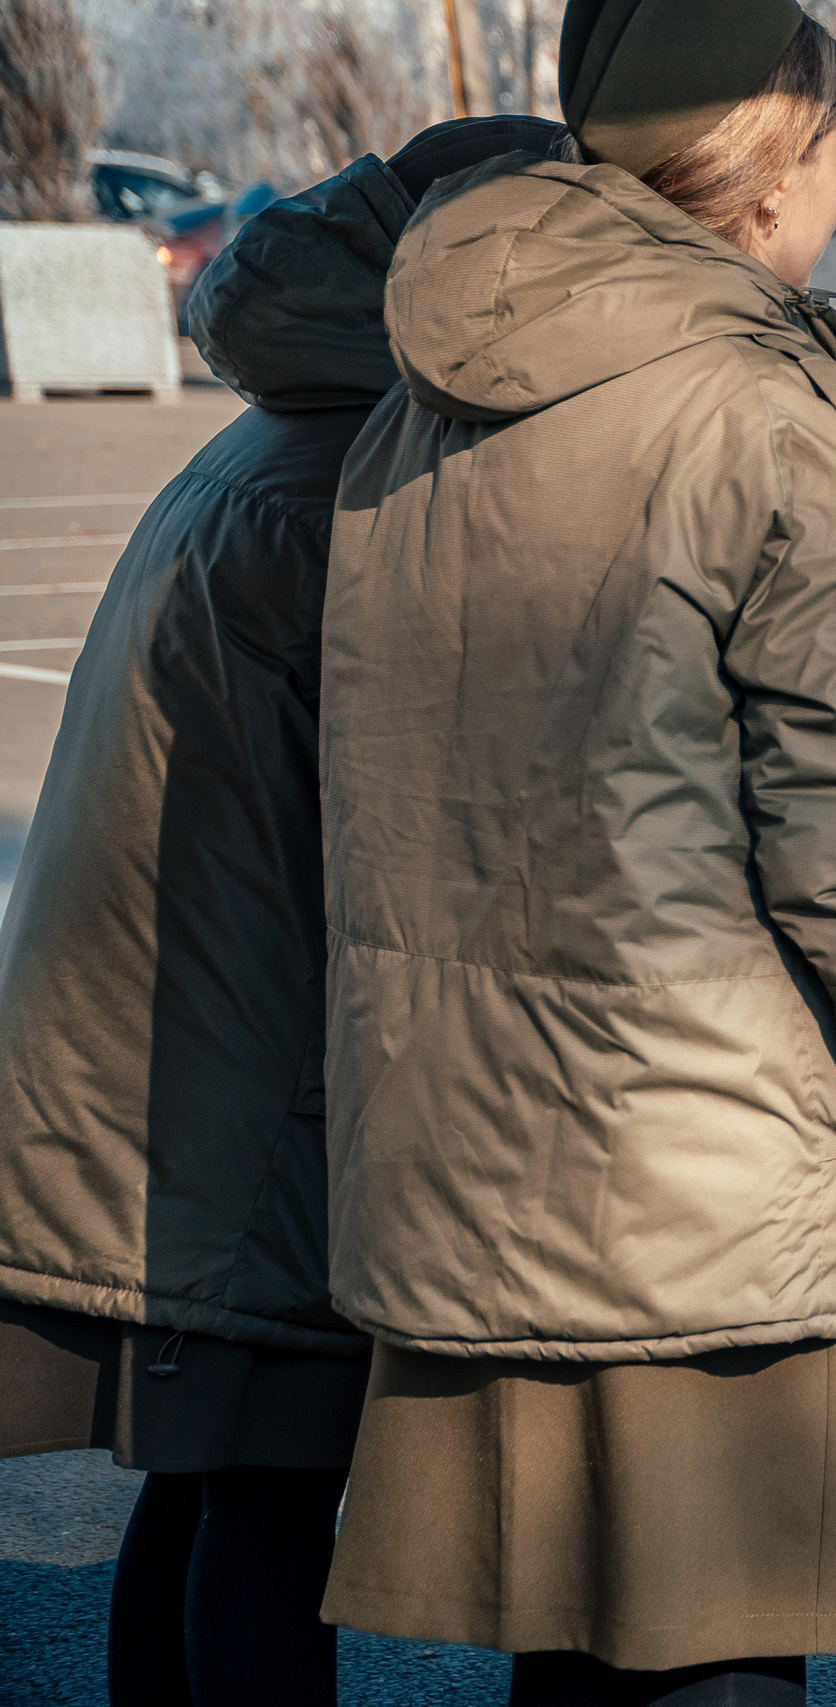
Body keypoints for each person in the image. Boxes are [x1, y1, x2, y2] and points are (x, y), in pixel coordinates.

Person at [313, 4, 836, 1702]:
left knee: (577, 1651)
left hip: (469, 1141)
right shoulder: (787, 416)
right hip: (712, 1172)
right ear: (773, 169)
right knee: (715, 1650)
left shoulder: (423, 400)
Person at [0, 115, 563, 1706]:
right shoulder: (367, 479)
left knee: (214, 1482)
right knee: (267, 1497)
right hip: (245, 1065)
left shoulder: (301, 415)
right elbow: (443, 827)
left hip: (174, 1033)